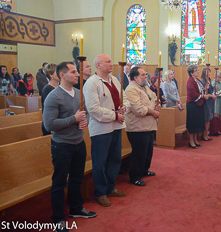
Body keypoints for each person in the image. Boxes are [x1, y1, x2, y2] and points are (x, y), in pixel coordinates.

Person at [43, 61, 97, 232]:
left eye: (77, 72)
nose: (78, 75)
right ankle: (58, 219)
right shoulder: (54, 96)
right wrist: (74, 120)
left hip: (78, 142)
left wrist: (84, 123)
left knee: (77, 179)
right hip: (62, 145)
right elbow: (49, 125)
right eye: (73, 72)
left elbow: (86, 114)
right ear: (62, 75)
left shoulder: (79, 93)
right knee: (59, 182)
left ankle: (75, 209)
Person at [83, 54, 126, 207]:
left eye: (110, 61)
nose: (111, 63)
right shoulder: (91, 83)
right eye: (107, 61)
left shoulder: (114, 80)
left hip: (115, 126)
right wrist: (115, 115)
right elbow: (94, 110)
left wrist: (124, 107)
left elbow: (123, 97)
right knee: (100, 162)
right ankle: (100, 192)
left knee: (114, 159)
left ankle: (111, 187)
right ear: (98, 65)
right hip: (101, 129)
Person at [125, 66, 160, 186]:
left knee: (148, 151)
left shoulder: (145, 87)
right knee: (139, 152)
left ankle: (144, 170)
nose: (146, 76)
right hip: (137, 127)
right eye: (143, 74)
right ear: (135, 78)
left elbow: (153, 99)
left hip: (148, 125)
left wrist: (156, 106)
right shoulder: (131, 89)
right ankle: (135, 176)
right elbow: (138, 109)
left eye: (145, 74)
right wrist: (153, 112)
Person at [186, 65, 209, 149]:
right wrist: (203, 96)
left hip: (198, 105)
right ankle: (191, 141)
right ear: (191, 73)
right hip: (192, 105)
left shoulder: (198, 80)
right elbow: (194, 94)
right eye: (196, 71)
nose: (198, 72)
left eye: (198, 70)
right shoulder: (190, 81)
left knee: (197, 123)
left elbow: (200, 90)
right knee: (192, 124)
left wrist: (205, 89)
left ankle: (195, 140)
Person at [41, 63, 59, 136]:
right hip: (51, 124)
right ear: (51, 75)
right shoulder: (47, 89)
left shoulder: (60, 88)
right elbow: (48, 110)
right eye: (57, 72)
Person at [201, 67, 216, 141]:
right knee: (206, 119)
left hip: (210, 102)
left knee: (209, 119)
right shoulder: (203, 81)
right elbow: (204, 93)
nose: (209, 73)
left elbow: (210, 90)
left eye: (210, 72)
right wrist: (212, 96)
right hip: (206, 101)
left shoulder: (209, 80)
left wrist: (213, 88)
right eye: (207, 72)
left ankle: (207, 134)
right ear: (204, 73)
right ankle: (204, 135)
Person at [210, 70, 221, 136]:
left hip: (220, 101)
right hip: (216, 101)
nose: (219, 79)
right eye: (218, 77)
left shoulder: (220, 83)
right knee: (215, 115)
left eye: (220, 77)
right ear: (215, 76)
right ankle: (214, 131)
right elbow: (215, 93)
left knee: (220, 115)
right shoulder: (213, 83)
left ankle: (218, 130)